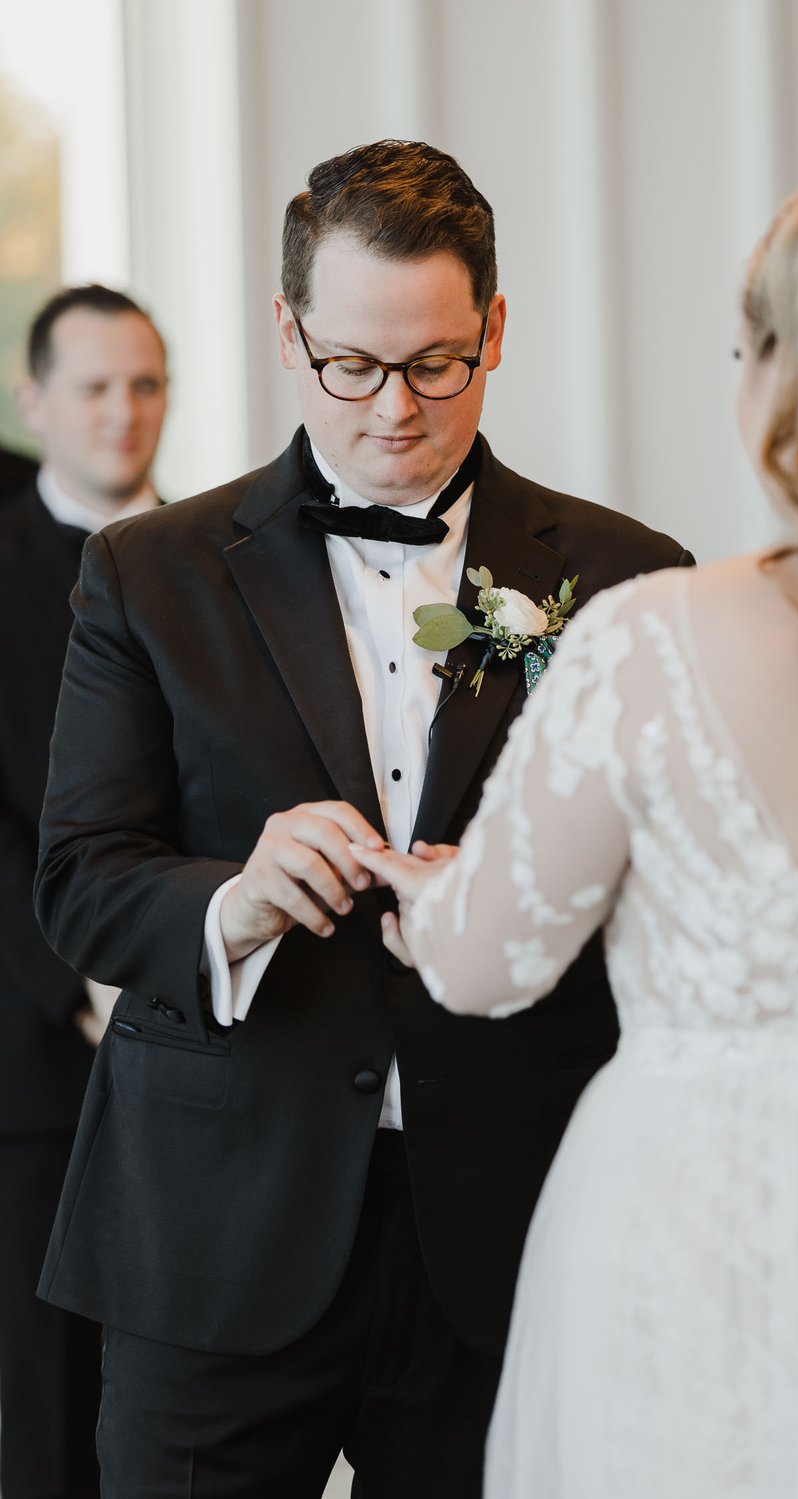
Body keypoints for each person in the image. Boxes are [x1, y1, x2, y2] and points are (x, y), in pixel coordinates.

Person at [32, 140, 693, 1496]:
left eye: (437, 362)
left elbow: (683, 898)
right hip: (214, 1229)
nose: (394, 408)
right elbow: (83, 880)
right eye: (352, 365)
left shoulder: (632, 578)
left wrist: (519, 897)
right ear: (288, 333)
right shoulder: (147, 572)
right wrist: (239, 895)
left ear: (496, 329)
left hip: (511, 1222)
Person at [352, 165, 798, 1498]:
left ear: (789, 377)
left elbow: (485, 966)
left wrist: (433, 890)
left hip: (711, 1249)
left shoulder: (656, 635)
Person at [0, 284, 168, 1499]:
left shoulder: (224, 552)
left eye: (146, 385)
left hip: (209, 1039)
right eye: (96, 387)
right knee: (44, 1407)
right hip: (35, 1054)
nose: (124, 413)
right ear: (34, 399)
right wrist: (80, 978)